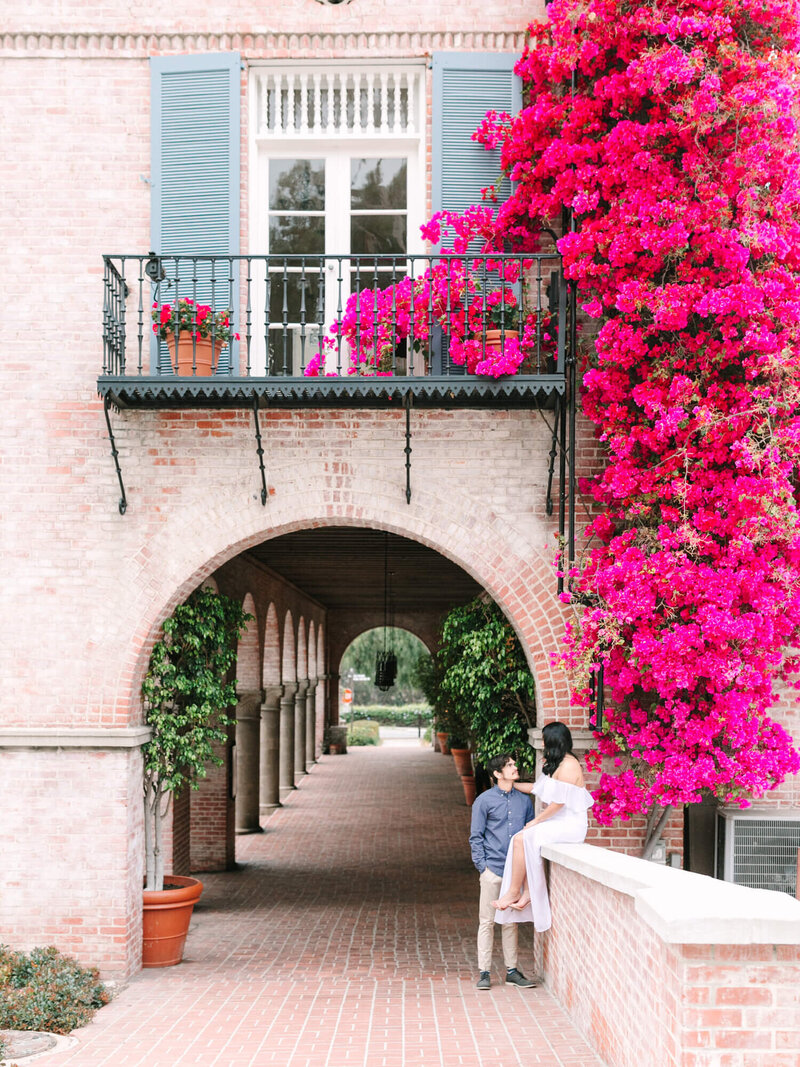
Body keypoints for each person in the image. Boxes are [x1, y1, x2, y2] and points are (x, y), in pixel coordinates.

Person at [492, 722, 593, 931]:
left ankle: (515, 891)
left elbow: (559, 803)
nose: (543, 742)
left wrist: (537, 820)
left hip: (571, 824)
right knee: (521, 839)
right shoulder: (556, 763)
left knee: (522, 837)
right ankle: (524, 892)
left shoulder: (569, 765)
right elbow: (536, 788)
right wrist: (508, 784)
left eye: (545, 739)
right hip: (557, 821)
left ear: (554, 740)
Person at [468, 753, 537, 990]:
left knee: (511, 923)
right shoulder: (484, 801)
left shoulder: (525, 801)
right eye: (509, 765)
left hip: (514, 872)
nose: (515, 767)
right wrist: (483, 867)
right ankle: (484, 972)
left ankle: (511, 971)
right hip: (492, 869)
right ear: (497, 774)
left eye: (513, 764)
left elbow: (529, 834)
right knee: (486, 921)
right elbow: (475, 837)